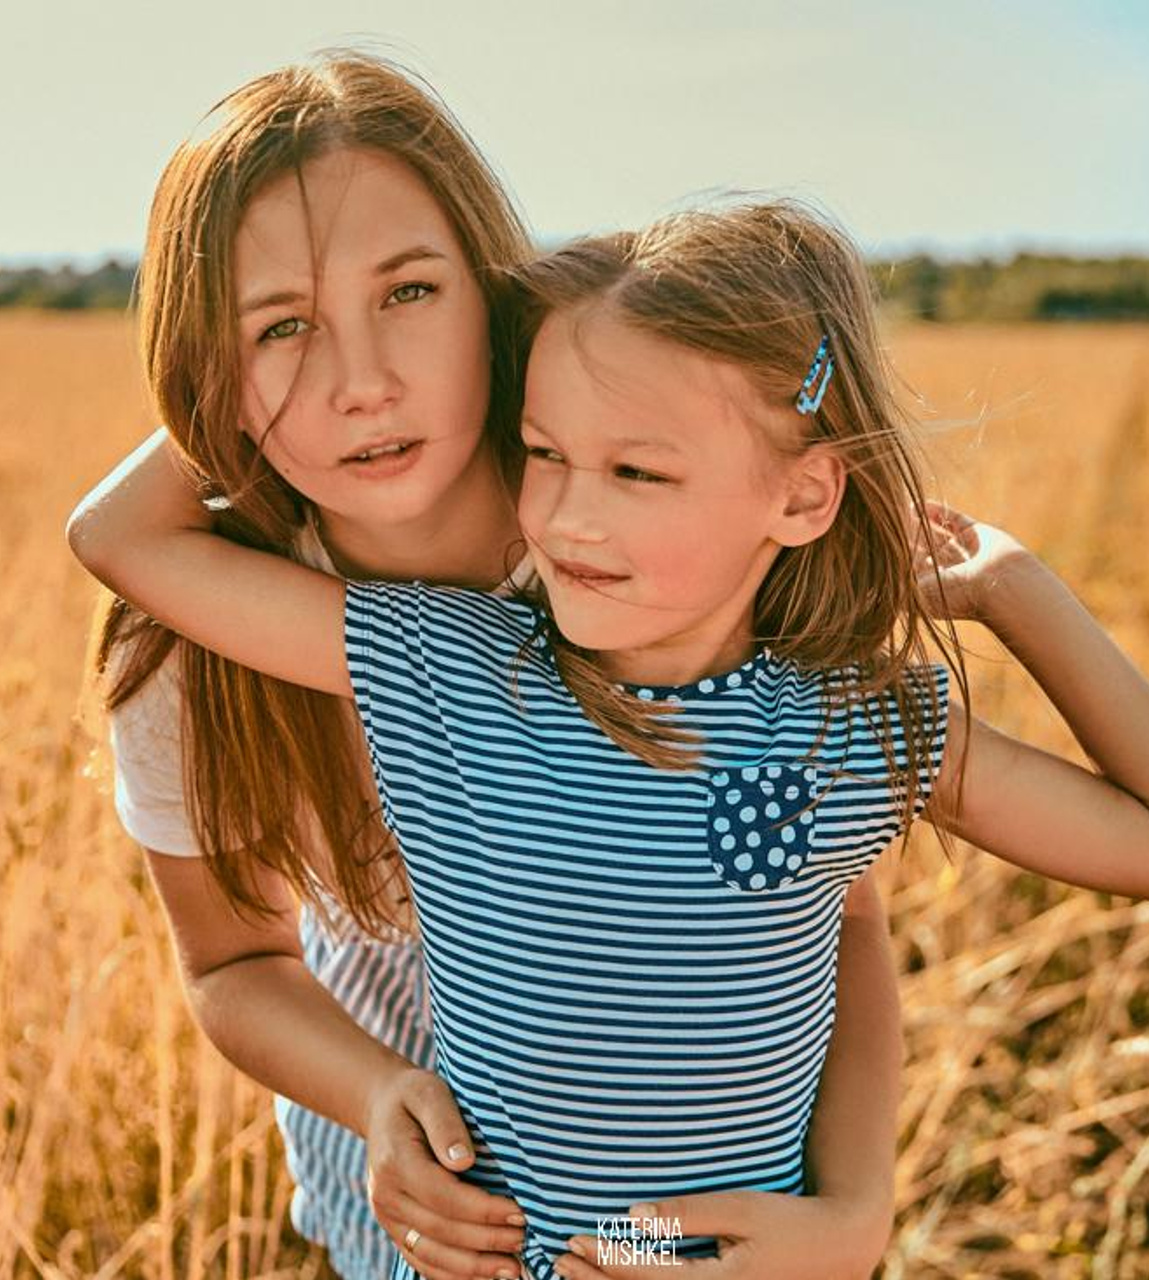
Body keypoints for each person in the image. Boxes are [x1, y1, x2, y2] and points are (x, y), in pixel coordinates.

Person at [70, 199, 1149, 1280]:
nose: (568, 514)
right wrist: (295, 375)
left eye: (637, 469)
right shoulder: (449, 666)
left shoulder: (851, 727)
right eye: (543, 453)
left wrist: (1013, 589)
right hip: (477, 1246)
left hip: (671, 1250)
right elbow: (122, 540)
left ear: (801, 497)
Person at [84, 53, 904, 1280]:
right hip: (413, 1184)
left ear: (492, 291)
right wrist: (373, 1092)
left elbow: (838, 921)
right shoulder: (191, 649)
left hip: (681, 1180)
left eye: (408, 290)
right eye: (283, 325)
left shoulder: (645, 561)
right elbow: (233, 960)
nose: (361, 384)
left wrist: (855, 1214)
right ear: (210, 367)